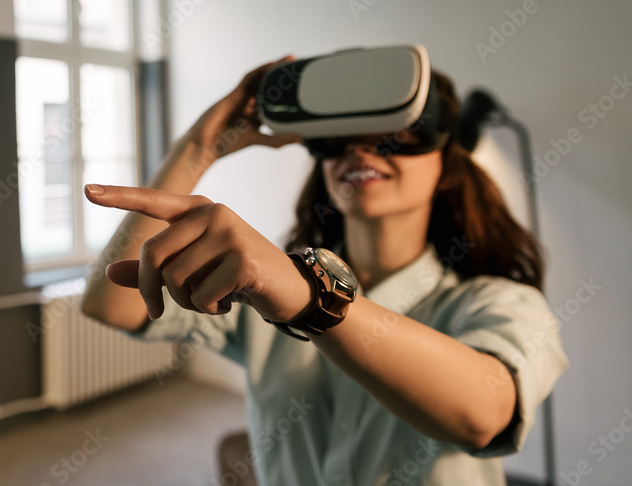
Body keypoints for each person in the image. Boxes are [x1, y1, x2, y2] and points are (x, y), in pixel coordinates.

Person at [80, 55, 568, 485]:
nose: (361, 149)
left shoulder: (496, 301)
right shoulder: (265, 289)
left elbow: (483, 414)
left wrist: (313, 300)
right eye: (339, 138)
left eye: (394, 133)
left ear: (445, 159)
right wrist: (197, 149)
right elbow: (112, 304)